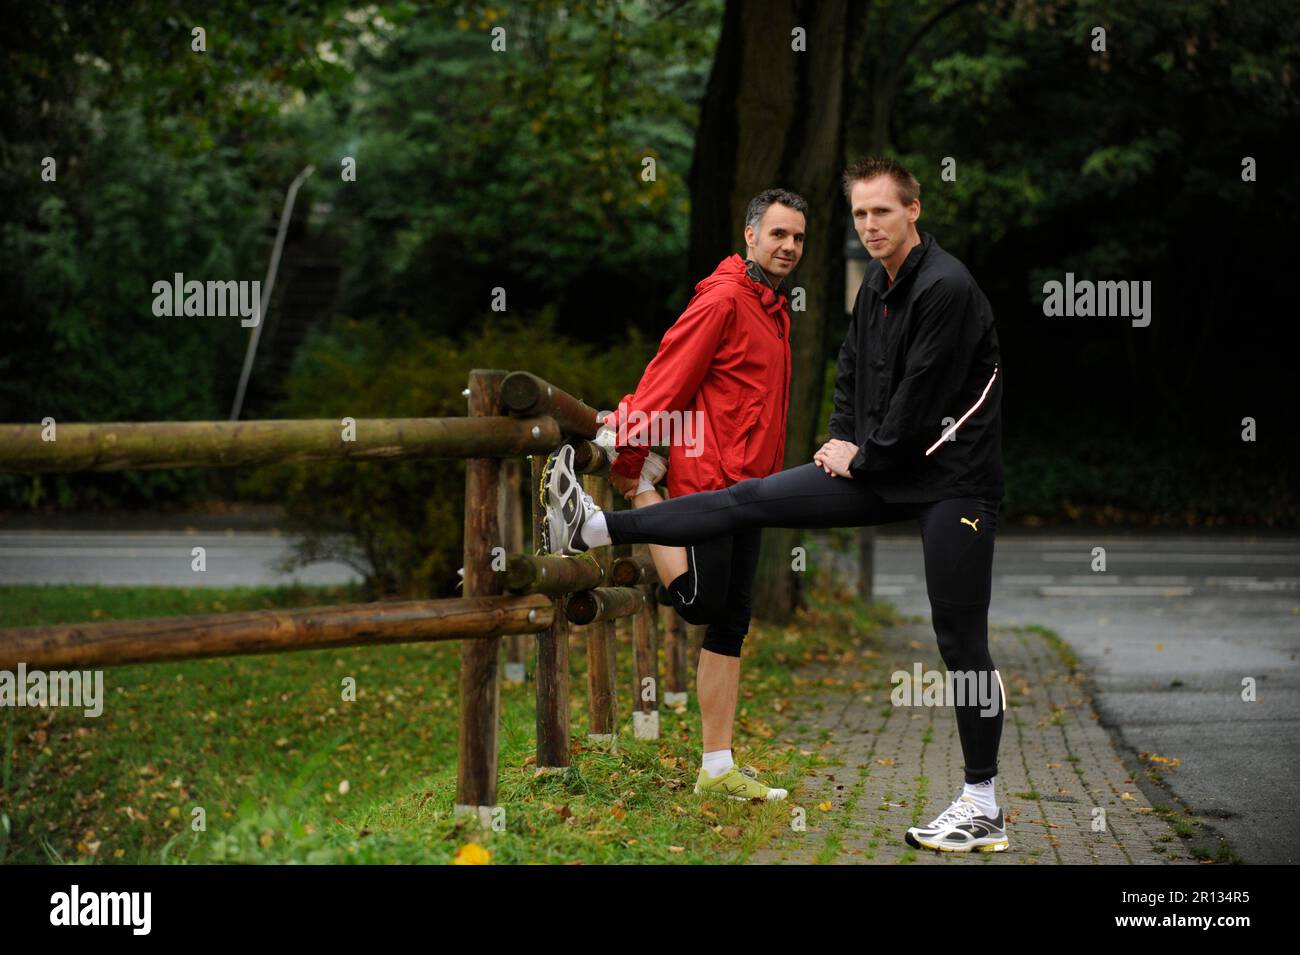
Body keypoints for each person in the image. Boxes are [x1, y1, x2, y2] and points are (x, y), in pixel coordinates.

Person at [544, 157, 1010, 851]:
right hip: (880, 466)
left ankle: (982, 802)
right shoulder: (871, 290)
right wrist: (843, 437)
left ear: (914, 211)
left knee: (959, 635)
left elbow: (921, 394)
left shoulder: (946, 286)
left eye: (882, 211)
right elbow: (852, 370)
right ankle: (593, 524)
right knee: (746, 499)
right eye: (859, 214)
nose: (870, 225)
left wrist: (866, 453)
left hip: (951, 480)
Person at [544, 188, 808, 802]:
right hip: (711, 479)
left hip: (754, 485)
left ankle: (717, 766)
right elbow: (672, 370)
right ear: (750, 235)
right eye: (778, 234)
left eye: (797, 237)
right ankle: (641, 494)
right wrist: (624, 441)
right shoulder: (723, 298)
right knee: (696, 600)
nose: (789, 246)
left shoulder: (774, 308)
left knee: (732, 623)